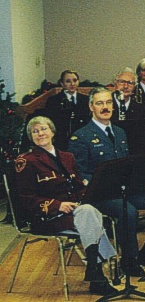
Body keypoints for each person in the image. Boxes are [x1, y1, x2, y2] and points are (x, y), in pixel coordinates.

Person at [68, 88, 145, 277]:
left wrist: (140, 181)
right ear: (91, 107)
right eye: (99, 103)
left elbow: (127, 165)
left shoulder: (120, 132)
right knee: (128, 212)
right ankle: (129, 260)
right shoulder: (81, 136)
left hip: (128, 189)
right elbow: (79, 173)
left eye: (108, 103)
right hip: (102, 194)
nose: (105, 107)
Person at [15, 116, 118, 295]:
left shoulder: (67, 156)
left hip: (74, 212)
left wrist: (88, 191)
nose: (40, 134)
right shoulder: (27, 160)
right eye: (35, 131)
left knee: (89, 212)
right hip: (47, 216)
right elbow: (25, 197)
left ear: (53, 132)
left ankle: (95, 272)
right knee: (91, 215)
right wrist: (57, 205)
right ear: (31, 137)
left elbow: (78, 186)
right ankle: (95, 271)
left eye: (44, 129)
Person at [44, 70, 91, 149]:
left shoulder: (86, 99)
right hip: (61, 141)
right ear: (62, 84)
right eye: (68, 81)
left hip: (82, 140)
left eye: (75, 80)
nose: (72, 84)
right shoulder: (53, 100)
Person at [111, 68, 145, 155]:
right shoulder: (105, 106)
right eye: (122, 82)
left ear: (135, 87)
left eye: (130, 83)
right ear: (115, 84)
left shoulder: (142, 110)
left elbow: (144, 142)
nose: (126, 86)